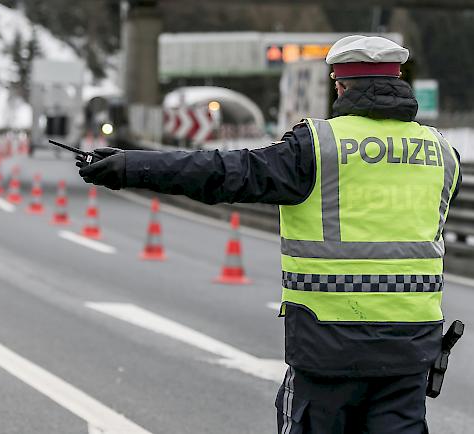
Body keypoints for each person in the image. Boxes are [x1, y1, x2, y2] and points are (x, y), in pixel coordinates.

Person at [76, 35, 462, 434]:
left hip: (327, 349)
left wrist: (130, 167)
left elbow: (225, 172)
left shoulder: (318, 147)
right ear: (397, 81)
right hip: (410, 351)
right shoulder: (442, 153)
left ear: (341, 86)